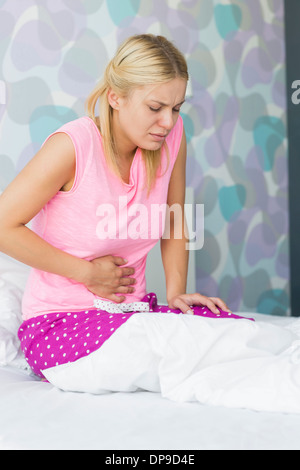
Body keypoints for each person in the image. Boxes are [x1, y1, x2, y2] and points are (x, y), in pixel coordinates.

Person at [0, 34, 231, 379]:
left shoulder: (171, 136)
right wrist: (86, 273)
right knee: (176, 355)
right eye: (155, 108)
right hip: (58, 323)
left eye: (177, 108)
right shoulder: (74, 147)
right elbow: (3, 226)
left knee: (225, 338)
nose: (168, 122)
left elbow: (174, 216)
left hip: (130, 314)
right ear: (116, 97)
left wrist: (176, 293)